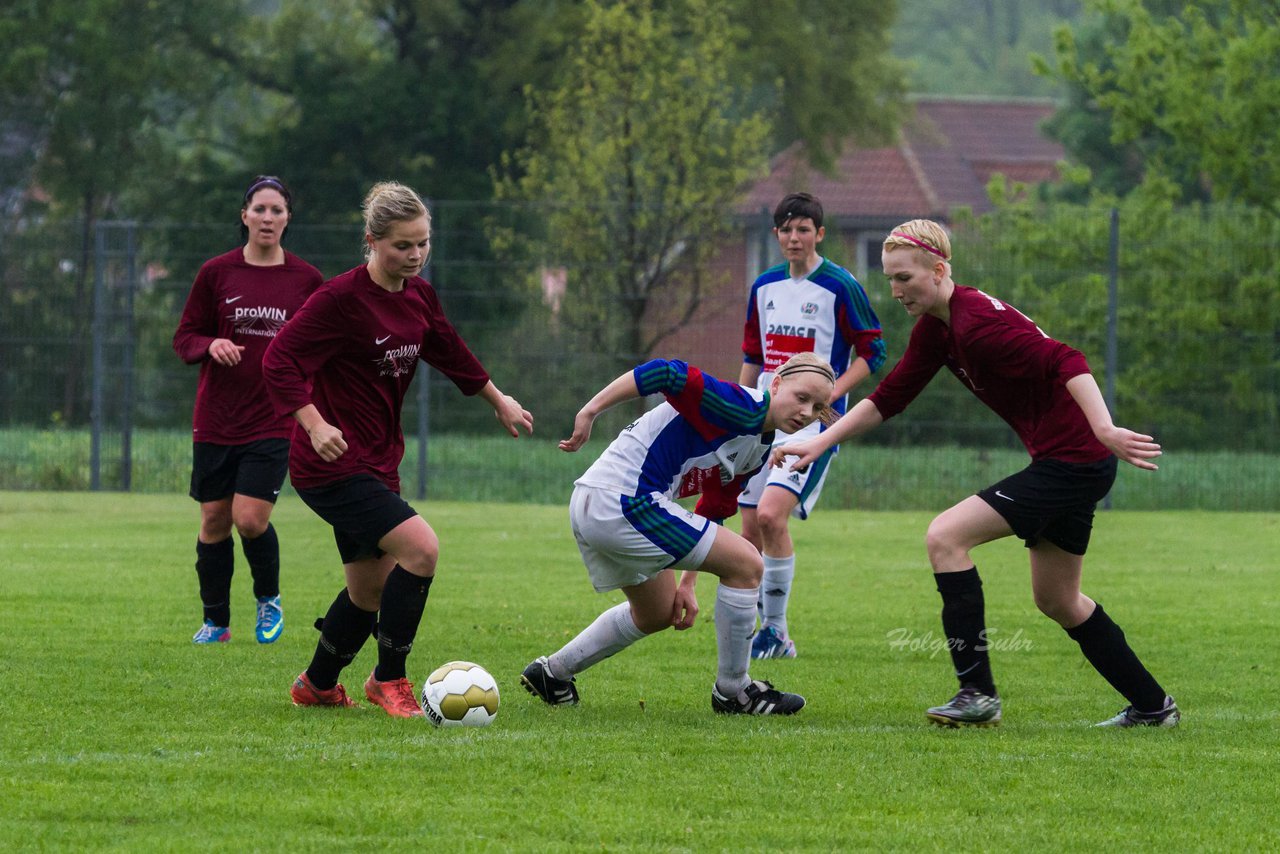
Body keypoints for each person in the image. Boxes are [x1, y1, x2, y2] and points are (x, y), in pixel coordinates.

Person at [773, 219, 1179, 728]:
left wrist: (1104, 427)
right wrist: (818, 441)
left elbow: (1066, 358)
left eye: (904, 278)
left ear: (939, 270)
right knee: (1058, 599)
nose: (895, 290)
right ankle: (1152, 707)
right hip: (1069, 462)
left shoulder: (976, 322)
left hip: (1073, 461)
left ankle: (977, 694)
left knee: (945, 537)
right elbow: (889, 398)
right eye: (890, 279)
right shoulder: (937, 330)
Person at [263, 181, 533, 717]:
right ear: (372, 241)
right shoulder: (339, 299)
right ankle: (389, 679)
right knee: (422, 550)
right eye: (402, 246)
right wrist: (314, 424)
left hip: (378, 461)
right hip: (331, 465)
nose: (414, 256)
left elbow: (449, 350)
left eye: (422, 244)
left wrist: (497, 399)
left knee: (368, 592)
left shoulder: (418, 297)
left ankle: (316, 685)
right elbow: (278, 360)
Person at [520, 352, 839, 716]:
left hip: (600, 501)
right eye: (802, 398)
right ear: (776, 384)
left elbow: (715, 508)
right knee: (749, 564)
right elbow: (666, 372)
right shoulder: (740, 405)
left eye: (818, 407)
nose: (807, 412)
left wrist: (687, 584)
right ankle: (735, 692)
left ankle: (552, 673)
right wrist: (591, 410)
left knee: (656, 612)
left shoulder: (759, 444)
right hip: (623, 500)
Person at [173, 175, 324, 645]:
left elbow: (320, 348)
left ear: (287, 219)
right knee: (214, 519)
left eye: (276, 210)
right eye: (259, 209)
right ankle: (216, 622)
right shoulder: (216, 273)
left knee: (250, 519)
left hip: (274, 420)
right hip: (216, 420)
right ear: (244, 216)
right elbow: (184, 339)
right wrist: (211, 342)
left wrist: (310, 403)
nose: (267, 218)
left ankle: (268, 600)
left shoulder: (306, 280)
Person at [737, 192, 887, 659]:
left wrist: (831, 395)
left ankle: (777, 632)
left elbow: (873, 353)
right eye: (786, 229)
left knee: (769, 515)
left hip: (811, 426)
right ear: (776, 234)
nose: (794, 237)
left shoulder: (840, 286)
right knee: (747, 530)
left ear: (819, 234)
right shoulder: (763, 286)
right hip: (764, 418)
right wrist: (739, 410)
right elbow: (753, 358)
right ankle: (751, 628)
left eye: (803, 228)